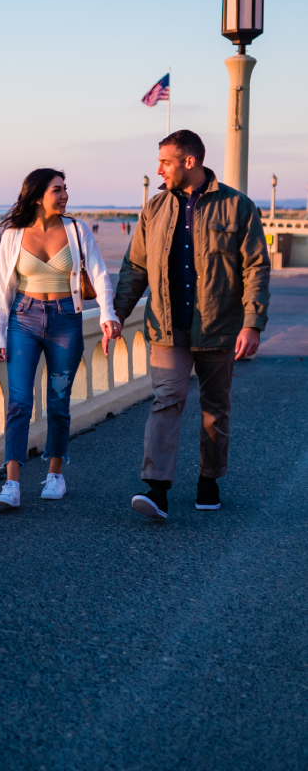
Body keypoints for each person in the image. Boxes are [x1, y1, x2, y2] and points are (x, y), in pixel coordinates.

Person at [113, 130, 269, 520]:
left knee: (215, 409)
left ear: (189, 161)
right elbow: (135, 266)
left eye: (165, 161)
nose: (158, 169)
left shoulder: (238, 206)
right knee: (166, 401)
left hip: (220, 327)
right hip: (167, 327)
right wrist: (116, 313)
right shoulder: (155, 208)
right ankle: (157, 489)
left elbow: (255, 268)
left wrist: (252, 324)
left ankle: (209, 480)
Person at [0, 169, 119, 509]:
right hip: (24, 320)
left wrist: (108, 315)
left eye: (65, 189)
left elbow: (101, 274)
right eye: (57, 190)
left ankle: (55, 475)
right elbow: (1, 287)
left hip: (66, 321)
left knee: (59, 400)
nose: (64, 196)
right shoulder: (15, 234)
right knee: (19, 402)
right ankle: (12, 483)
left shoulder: (76, 230)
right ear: (36, 196)